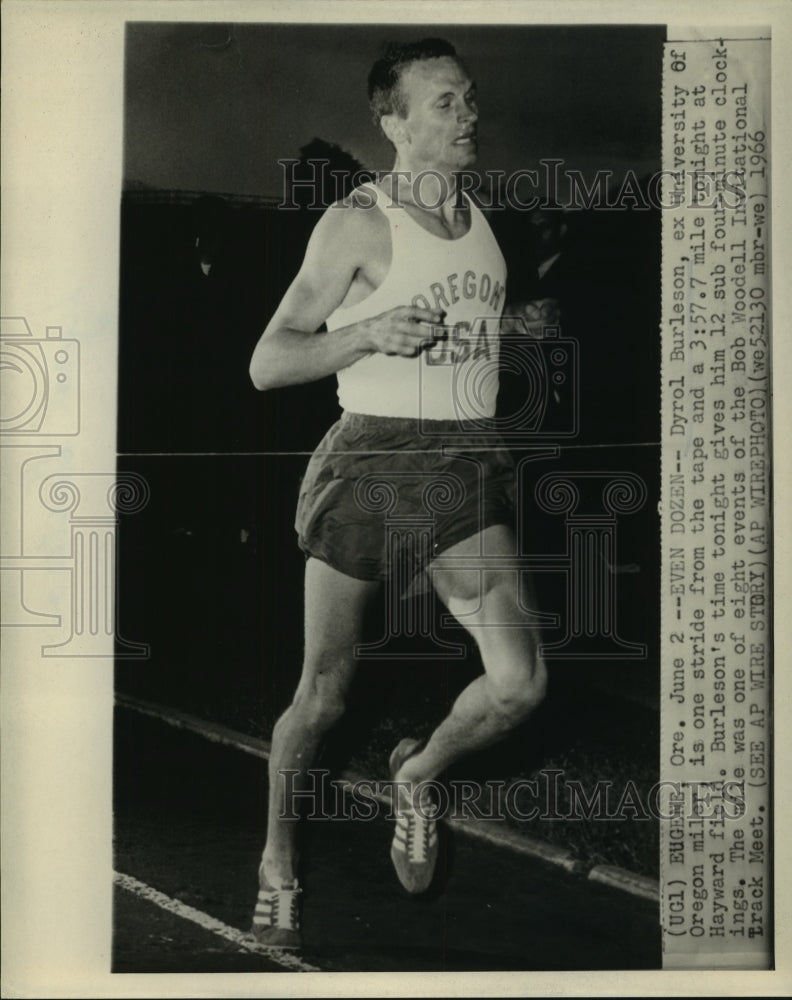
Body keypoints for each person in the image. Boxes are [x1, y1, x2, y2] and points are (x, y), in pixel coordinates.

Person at [248, 38, 547, 950]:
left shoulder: (484, 222)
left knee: (519, 682)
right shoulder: (354, 222)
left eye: (469, 100)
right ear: (394, 123)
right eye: (447, 103)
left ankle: (417, 775)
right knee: (326, 694)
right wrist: (367, 330)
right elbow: (268, 362)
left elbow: (464, 318)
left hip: (465, 462)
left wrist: (520, 323)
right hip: (371, 462)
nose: (469, 116)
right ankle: (277, 861)